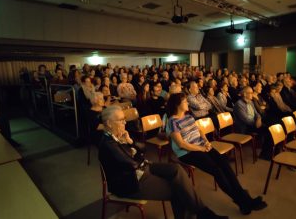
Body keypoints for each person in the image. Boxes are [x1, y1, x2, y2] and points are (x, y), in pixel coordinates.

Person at [98, 106, 227, 219]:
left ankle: (203, 214)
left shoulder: (120, 135)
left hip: (143, 168)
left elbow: (144, 149)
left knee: (176, 169)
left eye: (124, 118)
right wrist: (135, 153)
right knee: (178, 190)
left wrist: (130, 141)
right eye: (120, 120)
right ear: (109, 123)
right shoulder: (108, 144)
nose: (124, 122)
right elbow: (132, 164)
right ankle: (205, 214)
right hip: (130, 183)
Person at [166, 93, 267, 215]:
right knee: (217, 170)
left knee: (224, 164)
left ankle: (245, 198)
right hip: (188, 153)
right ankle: (242, 201)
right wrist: (201, 148)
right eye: (185, 102)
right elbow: (182, 144)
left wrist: (207, 142)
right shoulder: (172, 122)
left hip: (201, 146)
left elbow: (199, 131)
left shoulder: (188, 116)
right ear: (178, 105)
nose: (187, 103)